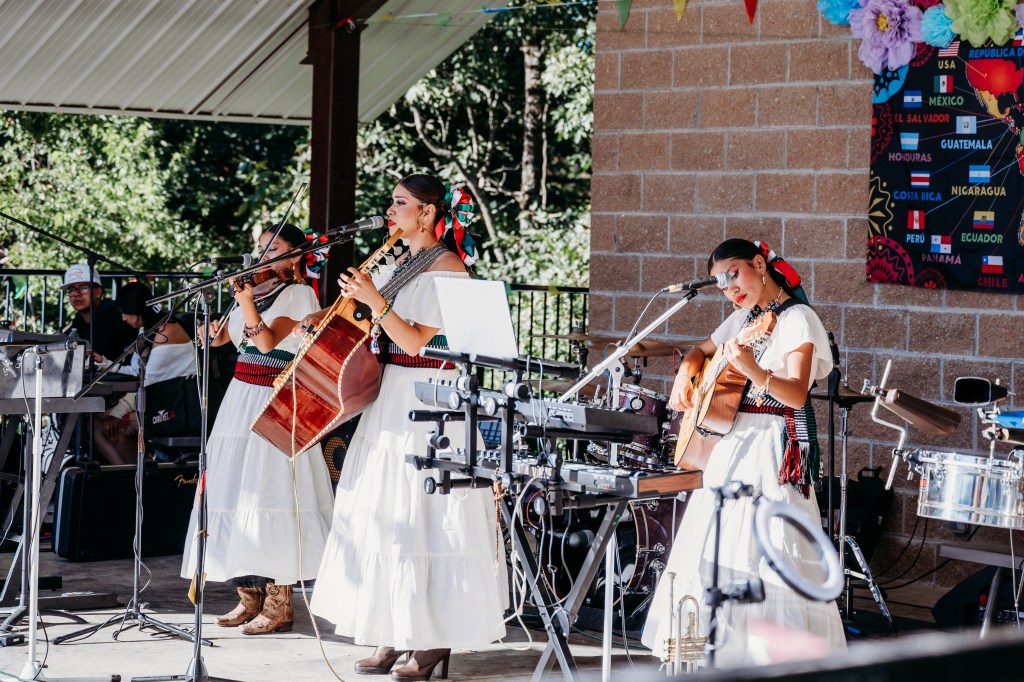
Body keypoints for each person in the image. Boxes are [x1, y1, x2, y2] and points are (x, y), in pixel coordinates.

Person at [308, 175, 505, 680]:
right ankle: (393, 629)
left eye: (400, 203)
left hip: (430, 393)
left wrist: (376, 301)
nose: (390, 211)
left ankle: (433, 638)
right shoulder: (401, 263)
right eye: (391, 202)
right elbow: (379, 327)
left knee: (426, 512)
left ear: (428, 212)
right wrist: (331, 316)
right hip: (393, 390)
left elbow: (416, 341)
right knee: (388, 510)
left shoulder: (450, 269)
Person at [641, 239, 846, 667]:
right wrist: (685, 372)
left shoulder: (798, 318)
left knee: (768, 549)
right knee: (716, 544)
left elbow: (796, 394)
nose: (729, 288)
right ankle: (709, 659)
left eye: (734, 274)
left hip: (771, 447)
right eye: (720, 282)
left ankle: (769, 661)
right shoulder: (743, 318)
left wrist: (752, 369)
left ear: (759, 263)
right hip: (732, 444)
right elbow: (701, 350)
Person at [179, 224, 334, 636]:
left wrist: (245, 302)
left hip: (273, 397)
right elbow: (223, 339)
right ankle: (248, 595)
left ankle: (279, 603)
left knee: (270, 490)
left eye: (274, 247)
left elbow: (265, 343)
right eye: (260, 247)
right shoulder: (258, 291)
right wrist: (210, 331)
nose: (263, 254)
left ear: (295, 255)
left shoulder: (299, 294)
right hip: (240, 396)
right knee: (234, 489)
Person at [91, 282, 198, 465]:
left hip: (176, 405)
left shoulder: (166, 332)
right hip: (161, 399)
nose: (123, 318)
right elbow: (137, 371)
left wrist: (117, 413)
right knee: (97, 421)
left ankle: (136, 474)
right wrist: (106, 364)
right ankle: (133, 472)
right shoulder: (151, 328)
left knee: (110, 426)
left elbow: (146, 382)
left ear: (137, 309)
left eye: (125, 312)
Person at [60, 263, 136, 365]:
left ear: (98, 292)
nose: (77, 294)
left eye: (83, 288)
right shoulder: (79, 318)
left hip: (124, 372)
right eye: (71, 290)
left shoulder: (109, 310)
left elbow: (94, 354)